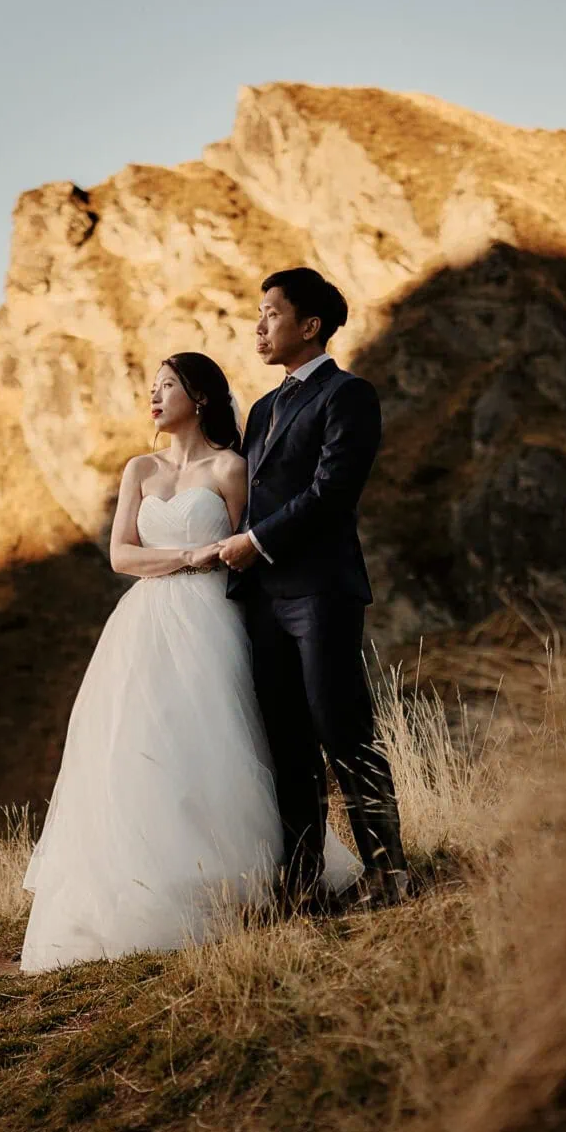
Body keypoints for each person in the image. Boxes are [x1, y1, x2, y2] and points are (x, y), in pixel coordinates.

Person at [20, 351, 361, 973]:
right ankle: (149, 892)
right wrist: (185, 557)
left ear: (200, 397)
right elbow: (121, 555)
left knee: (218, 743)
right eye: (152, 388)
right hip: (144, 622)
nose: (154, 397)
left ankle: (241, 885)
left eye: (167, 386)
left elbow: (249, 551)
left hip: (214, 618)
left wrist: (223, 569)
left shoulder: (232, 467)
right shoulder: (140, 469)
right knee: (141, 747)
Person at [216, 268, 410, 911]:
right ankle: (302, 884)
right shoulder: (262, 409)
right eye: (259, 313)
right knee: (286, 744)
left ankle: (388, 874)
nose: (259, 326)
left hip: (321, 592)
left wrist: (256, 541)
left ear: (310, 325)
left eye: (271, 313)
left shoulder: (348, 394)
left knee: (343, 729)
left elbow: (332, 493)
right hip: (262, 599)